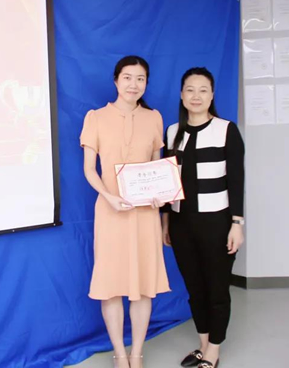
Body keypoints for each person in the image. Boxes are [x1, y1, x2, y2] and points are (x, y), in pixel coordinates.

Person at [80, 55, 171, 368]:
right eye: (128, 77)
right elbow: (89, 170)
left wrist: (160, 195)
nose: (134, 84)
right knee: (112, 285)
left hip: (145, 214)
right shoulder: (95, 118)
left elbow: (158, 167)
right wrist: (108, 196)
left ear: (146, 83)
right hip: (111, 212)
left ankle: (137, 353)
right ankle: (120, 353)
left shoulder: (154, 118)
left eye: (141, 79)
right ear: (116, 80)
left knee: (144, 285)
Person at [162, 67, 245, 368]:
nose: (196, 96)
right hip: (181, 224)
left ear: (211, 95)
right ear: (181, 95)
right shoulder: (172, 132)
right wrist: (166, 223)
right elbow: (167, 181)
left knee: (217, 289)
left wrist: (237, 224)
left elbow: (236, 180)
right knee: (195, 288)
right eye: (190, 90)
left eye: (203, 90)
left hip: (217, 223)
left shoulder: (226, 130)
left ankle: (214, 351)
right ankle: (202, 345)